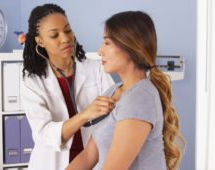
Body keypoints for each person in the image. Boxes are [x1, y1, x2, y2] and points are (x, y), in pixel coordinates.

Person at [67, 11, 185, 170]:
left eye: (107, 43)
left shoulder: (140, 97)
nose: (100, 50)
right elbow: (88, 155)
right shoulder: (112, 91)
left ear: (130, 46)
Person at [20, 3, 115, 170]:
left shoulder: (96, 68)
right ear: (40, 41)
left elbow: (114, 114)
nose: (65, 38)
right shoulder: (33, 81)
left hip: (93, 159)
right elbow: (44, 134)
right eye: (54, 35)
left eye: (67, 30)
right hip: (52, 163)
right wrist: (85, 114)